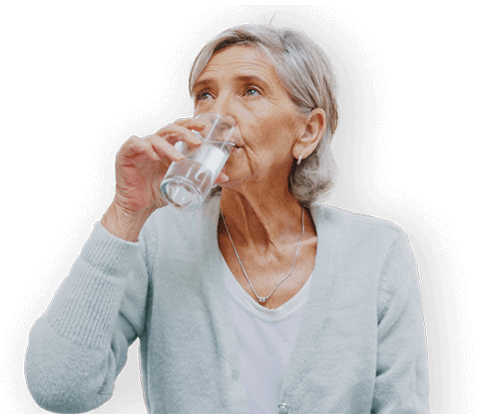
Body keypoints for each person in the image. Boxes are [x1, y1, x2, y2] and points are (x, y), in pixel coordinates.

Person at [25, 22, 429, 413]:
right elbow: (60, 389)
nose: (217, 114)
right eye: (205, 95)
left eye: (250, 91)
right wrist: (126, 212)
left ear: (307, 131)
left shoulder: (378, 250)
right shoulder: (158, 238)